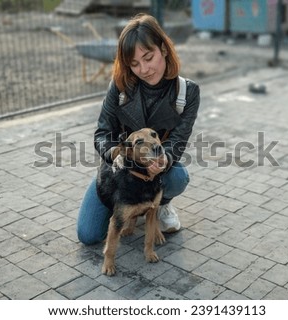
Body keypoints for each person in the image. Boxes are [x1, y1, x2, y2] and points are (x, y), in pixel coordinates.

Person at [77, 13, 200, 245]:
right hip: (119, 172)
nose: (143, 69)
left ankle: (160, 204)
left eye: (148, 57)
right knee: (88, 235)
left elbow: (178, 140)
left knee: (177, 176)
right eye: (134, 63)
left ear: (163, 48)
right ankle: (124, 203)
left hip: (158, 166)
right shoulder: (120, 86)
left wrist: (163, 161)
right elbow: (102, 133)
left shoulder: (187, 93)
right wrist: (115, 154)